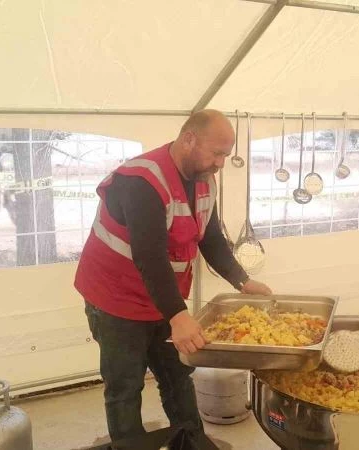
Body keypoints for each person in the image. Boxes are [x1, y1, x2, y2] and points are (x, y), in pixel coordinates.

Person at [74, 109, 273, 446]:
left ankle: (192, 442)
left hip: (163, 299)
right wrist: (179, 316)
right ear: (188, 139)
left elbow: (210, 238)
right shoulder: (141, 180)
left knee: (177, 375)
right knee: (125, 386)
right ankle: (129, 445)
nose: (220, 163)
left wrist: (241, 280)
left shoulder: (203, 179)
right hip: (116, 299)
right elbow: (149, 257)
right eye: (217, 152)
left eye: (226, 154)